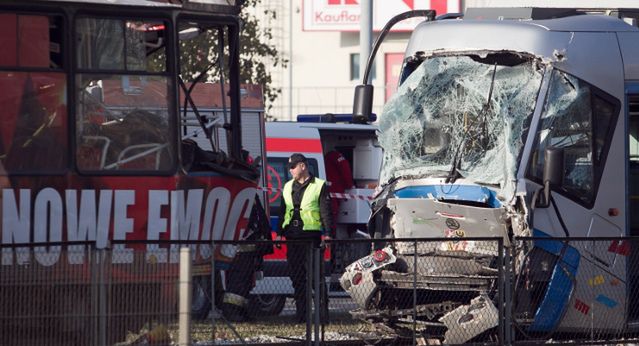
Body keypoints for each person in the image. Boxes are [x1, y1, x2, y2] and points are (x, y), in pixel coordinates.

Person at [276, 153, 333, 323]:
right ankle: (302, 316)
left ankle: (322, 316)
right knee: (297, 278)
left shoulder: (319, 185)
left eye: (293, 166)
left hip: (311, 238)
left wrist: (328, 233)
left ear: (303, 166)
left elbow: (325, 211)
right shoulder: (287, 186)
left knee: (316, 278)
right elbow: (282, 210)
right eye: (290, 167)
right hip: (292, 238)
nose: (291, 170)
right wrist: (279, 232)